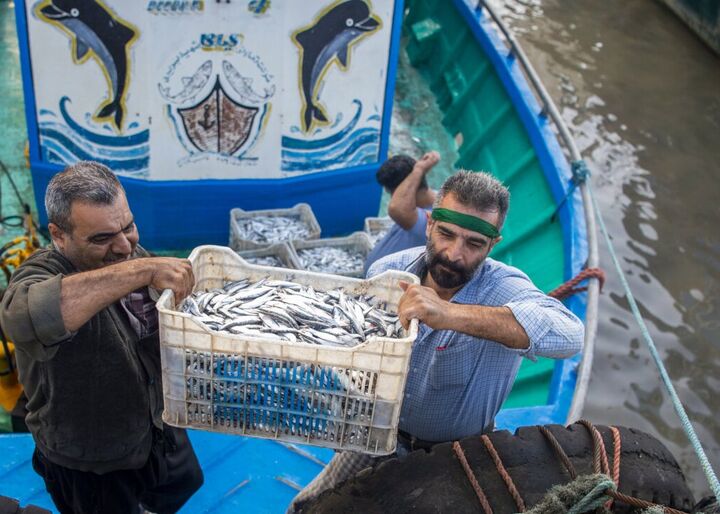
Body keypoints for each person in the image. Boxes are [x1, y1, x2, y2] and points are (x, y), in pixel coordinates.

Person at [290, 170, 584, 512]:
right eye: (446, 234)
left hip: (456, 453)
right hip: (379, 433)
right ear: (429, 224)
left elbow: (570, 335)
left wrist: (449, 314)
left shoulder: (506, 287)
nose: (454, 254)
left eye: (474, 243)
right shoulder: (387, 272)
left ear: (493, 245)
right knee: (307, 508)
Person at [0, 162, 203, 514]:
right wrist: (145, 269)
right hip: (92, 461)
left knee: (182, 485)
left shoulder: (128, 252)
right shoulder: (38, 274)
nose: (124, 247)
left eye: (128, 226)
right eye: (102, 238)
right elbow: (26, 318)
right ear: (59, 235)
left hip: (156, 430)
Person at [363, 151, 440, 273]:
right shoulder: (428, 199)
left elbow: (396, 208)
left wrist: (419, 169)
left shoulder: (434, 219)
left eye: (391, 193)